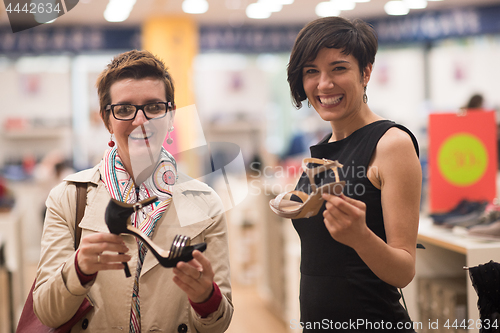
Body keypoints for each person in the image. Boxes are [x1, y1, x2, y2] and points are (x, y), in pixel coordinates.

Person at [33, 50, 233, 332]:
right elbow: (47, 313)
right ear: (107, 119)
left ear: (171, 116)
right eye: (125, 109)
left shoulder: (205, 203)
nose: (141, 121)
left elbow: (219, 323)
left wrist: (205, 298)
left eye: (153, 107)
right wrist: (78, 268)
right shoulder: (68, 198)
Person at [285, 17, 422, 331]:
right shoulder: (324, 147)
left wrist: (360, 237)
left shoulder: (391, 144)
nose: (324, 84)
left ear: (366, 72)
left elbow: (404, 271)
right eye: (311, 71)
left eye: (338, 68)